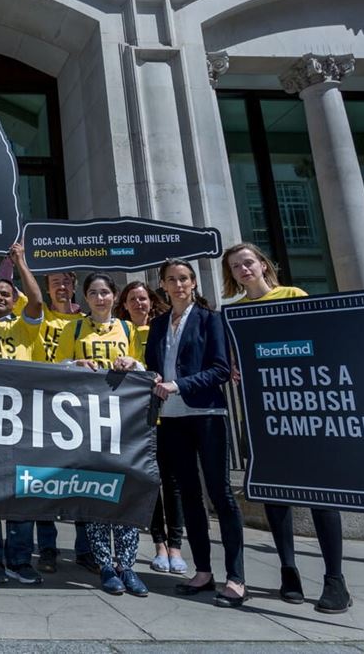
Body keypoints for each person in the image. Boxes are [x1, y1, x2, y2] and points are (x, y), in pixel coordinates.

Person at [221, 242, 364, 614]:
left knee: (323, 495)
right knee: (275, 495)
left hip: (307, 411)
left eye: (248, 262)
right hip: (264, 415)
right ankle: (288, 570)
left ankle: (335, 579)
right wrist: (234, 369)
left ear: (263, 265)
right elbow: (233, 361)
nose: (243, 270)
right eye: (235, 267)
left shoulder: (294, 295)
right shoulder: (234, 312)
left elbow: (327, 344)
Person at [146, 260, 245, 608]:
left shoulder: (209, 319)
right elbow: (152, 368)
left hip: (206, 415)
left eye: (184, 279)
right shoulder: (158, 324)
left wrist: (179, 384)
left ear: (194, 283)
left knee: (220, 494)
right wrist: (150, 376)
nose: (179, 284)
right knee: (189, 495)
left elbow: (220, 369)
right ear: (163, 284)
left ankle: (236, 577)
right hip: (171, 419)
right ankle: (203, 571)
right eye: (172, 279)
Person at [52, 272, 148, 597]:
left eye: (105, 292)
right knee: (96, 492)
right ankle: (106, 565)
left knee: (126, 492)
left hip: (125, 422)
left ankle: (128, 565)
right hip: (88, 422)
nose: (100, 298)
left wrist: (132, 362)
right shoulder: (73, 328)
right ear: (86, 297)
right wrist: (76, 363)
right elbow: (56, 368)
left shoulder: (127, 328)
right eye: (93, 293)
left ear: (114, 296)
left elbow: (146, 370)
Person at [0, 243, 46, 587]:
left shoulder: (25, 326)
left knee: (23, 493)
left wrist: (20, 262)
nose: (0, 298)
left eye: (5, 293)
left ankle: (19, 558)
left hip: (24, 422)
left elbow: (36, 301)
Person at [116, 281, 185, 576]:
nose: (138, 304)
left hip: (170, 416)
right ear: (125, 305)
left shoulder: (162, 327)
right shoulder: (125, 332)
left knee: (172, 484)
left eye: (143, 298)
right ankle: (159, 545)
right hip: (140, 419)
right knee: (150, 485)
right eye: (132, 299)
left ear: (152, 300)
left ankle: (176, 548)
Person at [30, 269, 92, 573]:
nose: (62, 286)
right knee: (43, 481)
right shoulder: (37, 315)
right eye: (56, 283)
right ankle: (47, 548)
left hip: (78, 410)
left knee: (82, 480)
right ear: (47, 289)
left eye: (67, 281)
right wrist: (17, 255)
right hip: (44, 406)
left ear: (75, 285)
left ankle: (85, 548)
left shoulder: (86, 322)